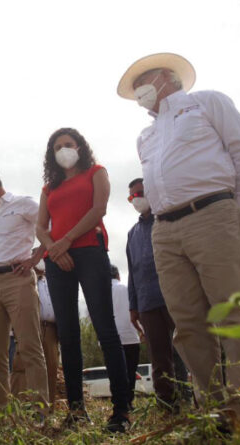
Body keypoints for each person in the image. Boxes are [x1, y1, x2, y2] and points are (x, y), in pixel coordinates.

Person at [117, 53, 240, 422]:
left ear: (168, 76)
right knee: (188, 324)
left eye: (144, 81)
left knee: (233, 315)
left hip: (213, 215)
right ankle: (215, 412)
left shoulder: (207, 102)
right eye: (134, 88)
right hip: (165, 230)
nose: (139, 91)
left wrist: (233, 206)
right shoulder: (146, 136)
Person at [36, 128, 131, 432]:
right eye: (57, 146)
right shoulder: (49, 189)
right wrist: (53, 248)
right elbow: (40, 227)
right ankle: (76, 411)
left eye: (68, 144)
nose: (64, 149)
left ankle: (121, 411)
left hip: (89, 251)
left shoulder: (96, 172)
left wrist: (66, 240)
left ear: (80, 147)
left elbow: (98, 209)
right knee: (68, 334)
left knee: (105, 328)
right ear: (52, 154)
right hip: (56, 261)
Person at [0, 168, 48, 409]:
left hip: (18, 279)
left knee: (29, 346)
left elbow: (50, 225)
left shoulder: (23, 203)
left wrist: (35, 258)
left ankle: (39, 410)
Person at [126, 178, 190, 410]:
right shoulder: (132, 234)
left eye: (141, 193)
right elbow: (132, 272)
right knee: (159, 357)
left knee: (186, 348)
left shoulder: (169, 219)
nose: (137, 198)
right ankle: (166, 404)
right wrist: (133, 306)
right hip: (147, 302)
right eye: (133, 196)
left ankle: (190, 399)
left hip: (175, 295)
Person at [9, 260, 60, 404]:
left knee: (50, 368)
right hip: (28, 327)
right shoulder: (22, 279)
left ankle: (45, 409)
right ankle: (19, 407)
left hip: (50, 330)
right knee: (21, 367)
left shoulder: (50, 282)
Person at [110, 265, 141, 410]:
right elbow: (137, 309)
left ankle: (118, 401)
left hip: (110, 338)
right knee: (130, 371)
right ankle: (129, 402)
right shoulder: (126, 288)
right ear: (118, 275)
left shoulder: (100, 292)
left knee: (114, 371)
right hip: (130, 336)